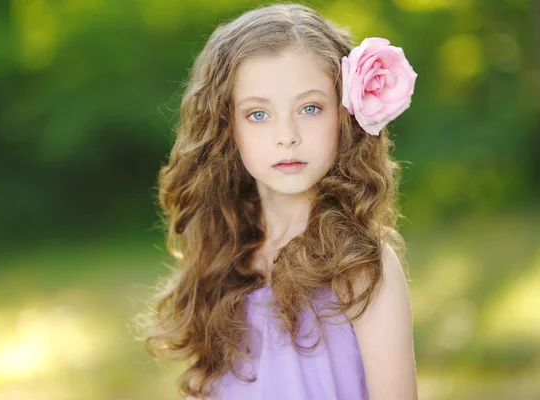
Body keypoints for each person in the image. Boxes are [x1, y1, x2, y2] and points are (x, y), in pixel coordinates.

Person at [141, 3, 419, 399]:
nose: (286, 135)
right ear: (226, 126)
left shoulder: (362, 267)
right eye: (258, 114)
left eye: (309, 108)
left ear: (343, 115)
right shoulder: (222, 253)